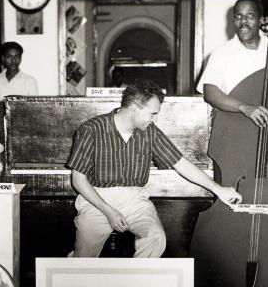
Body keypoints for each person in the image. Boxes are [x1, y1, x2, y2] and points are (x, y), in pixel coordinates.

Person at [67, 80, 242, 258]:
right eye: (152, 113)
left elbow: (181, 163)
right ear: (134, 108)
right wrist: (108, 211)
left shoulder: (150, 131)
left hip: (135, 199)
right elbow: (78, 181)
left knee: (156, 238)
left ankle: (137, 284)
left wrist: (218, 189)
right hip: (96, 200)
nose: (154, 119)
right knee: (83, 260)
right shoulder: (91, 130)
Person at [0, 41, 38, 107]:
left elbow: (34, 108)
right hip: (0, 117)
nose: (13, 60)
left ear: (20, 58)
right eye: (9, 56)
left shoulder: (30, 81)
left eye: (17, 56)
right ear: (3, 58)